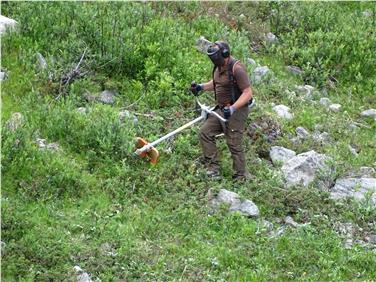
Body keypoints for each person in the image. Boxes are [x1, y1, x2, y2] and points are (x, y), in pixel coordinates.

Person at [190, 41, 253, 181]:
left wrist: (233, 108)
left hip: (237, 110)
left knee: (234, 143)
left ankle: (240, 176)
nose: (216, 61)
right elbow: (217, 82)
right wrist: (201, 87)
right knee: (205, 132)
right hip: (221, 109)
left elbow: (248, 93)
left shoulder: (237, 68)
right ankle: (214, 169)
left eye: (217, 57)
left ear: (225, 54)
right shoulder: (218, 68)